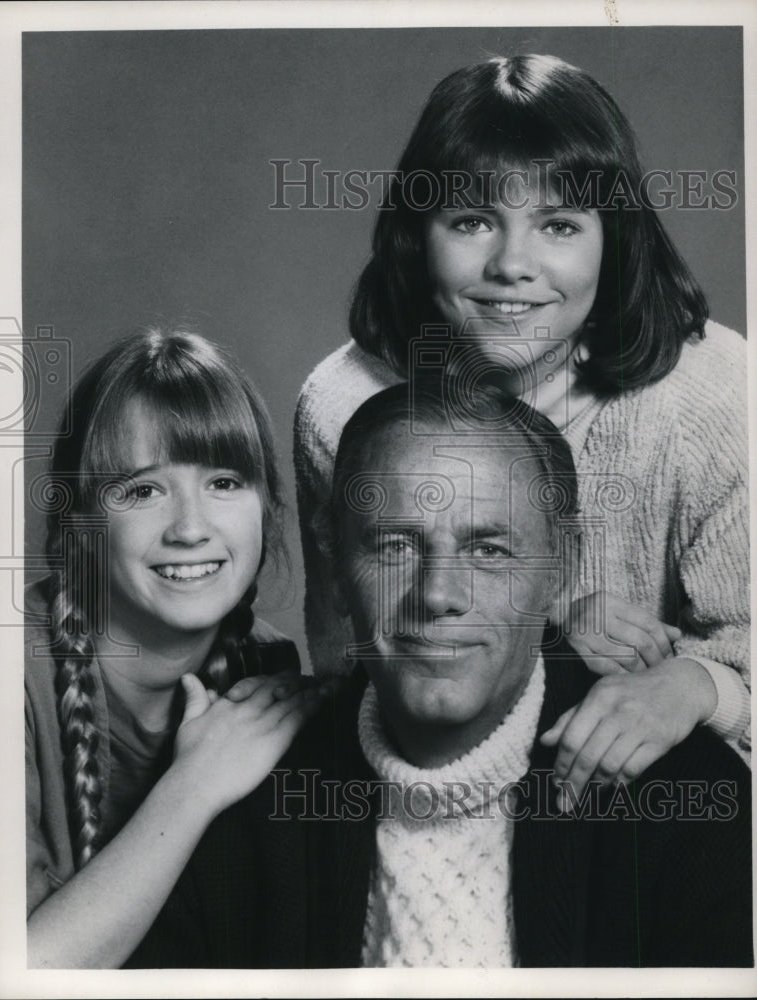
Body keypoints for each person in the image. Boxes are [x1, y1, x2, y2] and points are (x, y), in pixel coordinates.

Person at [132, 379, 752, 968]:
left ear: (561, 571)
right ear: (337, 565)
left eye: (489, 550)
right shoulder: (243, 787)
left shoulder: (687, 802)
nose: (438, 595)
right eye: (394, 545)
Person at [294, 54, 750, 797]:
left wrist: (693, 683)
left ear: (615, 238)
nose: (513, 264)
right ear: (417, 233)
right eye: (471, 220)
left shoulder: (718, 393)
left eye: (559, 224)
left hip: (645, 818)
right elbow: (352, 660)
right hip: (430, 793)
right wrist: (553, 633)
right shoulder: (343, 403)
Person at [25, 328, 327, 968]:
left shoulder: (266, 671)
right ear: (80, 523)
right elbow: (25, 971)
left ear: (267, 509)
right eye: (142, 490)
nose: (191, 529)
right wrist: (194, 786)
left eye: (223, 482)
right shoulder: (12, 677)